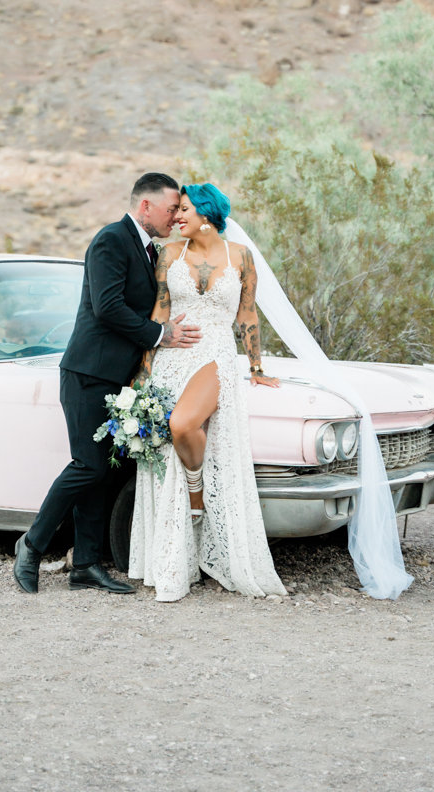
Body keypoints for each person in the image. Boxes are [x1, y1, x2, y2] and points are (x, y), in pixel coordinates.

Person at [13, 172, 202, 595]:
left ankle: (86, 565)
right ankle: (32, 544)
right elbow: (107, 306)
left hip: (119, 378)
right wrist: (161, 334)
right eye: (172, 208)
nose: (175, 216)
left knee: (102, 473)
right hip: (88, 372)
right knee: (89, 466)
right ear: (146, 206)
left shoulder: (151, 249)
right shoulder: (111, 240)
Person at [128, 183, 287, 601]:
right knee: (168, 440)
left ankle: (197, 500)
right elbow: (160, 311)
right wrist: (143, 374)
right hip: (172, 356)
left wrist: (255, 367)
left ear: (207, 212)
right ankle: (178, 549)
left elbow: (247, 314)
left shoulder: (241, 257)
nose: (177, 216)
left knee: (182, 423)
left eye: (184, 209)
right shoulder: (168, 255)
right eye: (175, 209)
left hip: (215, 352)